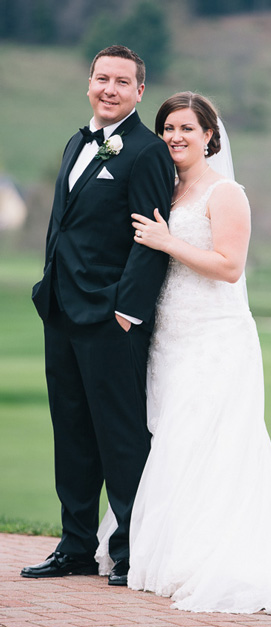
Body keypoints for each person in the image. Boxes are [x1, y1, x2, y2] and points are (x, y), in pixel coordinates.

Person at [94, 91, 271, 613]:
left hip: (215, 337)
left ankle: (210, 558)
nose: (176, 137)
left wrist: (167, 242)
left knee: (212, 443)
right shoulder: (168, 187)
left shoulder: (227, 193)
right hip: (169, 336)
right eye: (168, 129)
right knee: (169, 441)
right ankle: (166, 553)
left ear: (210, 136)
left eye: (187, 128)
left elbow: (229, 266)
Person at [23, 45, 174, 586]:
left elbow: (151, 241)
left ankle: (131, 551)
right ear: (89, 83)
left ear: (139, 91)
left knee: (121, 436)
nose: (110, 88)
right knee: (72, 433)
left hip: (113, 319)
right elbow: (62, 226)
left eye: (122, 81)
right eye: (101, 78)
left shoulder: (147, 152)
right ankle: (76, 547)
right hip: (62, 311)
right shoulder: (75, 141)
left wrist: (128, 313)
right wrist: (49, 289)